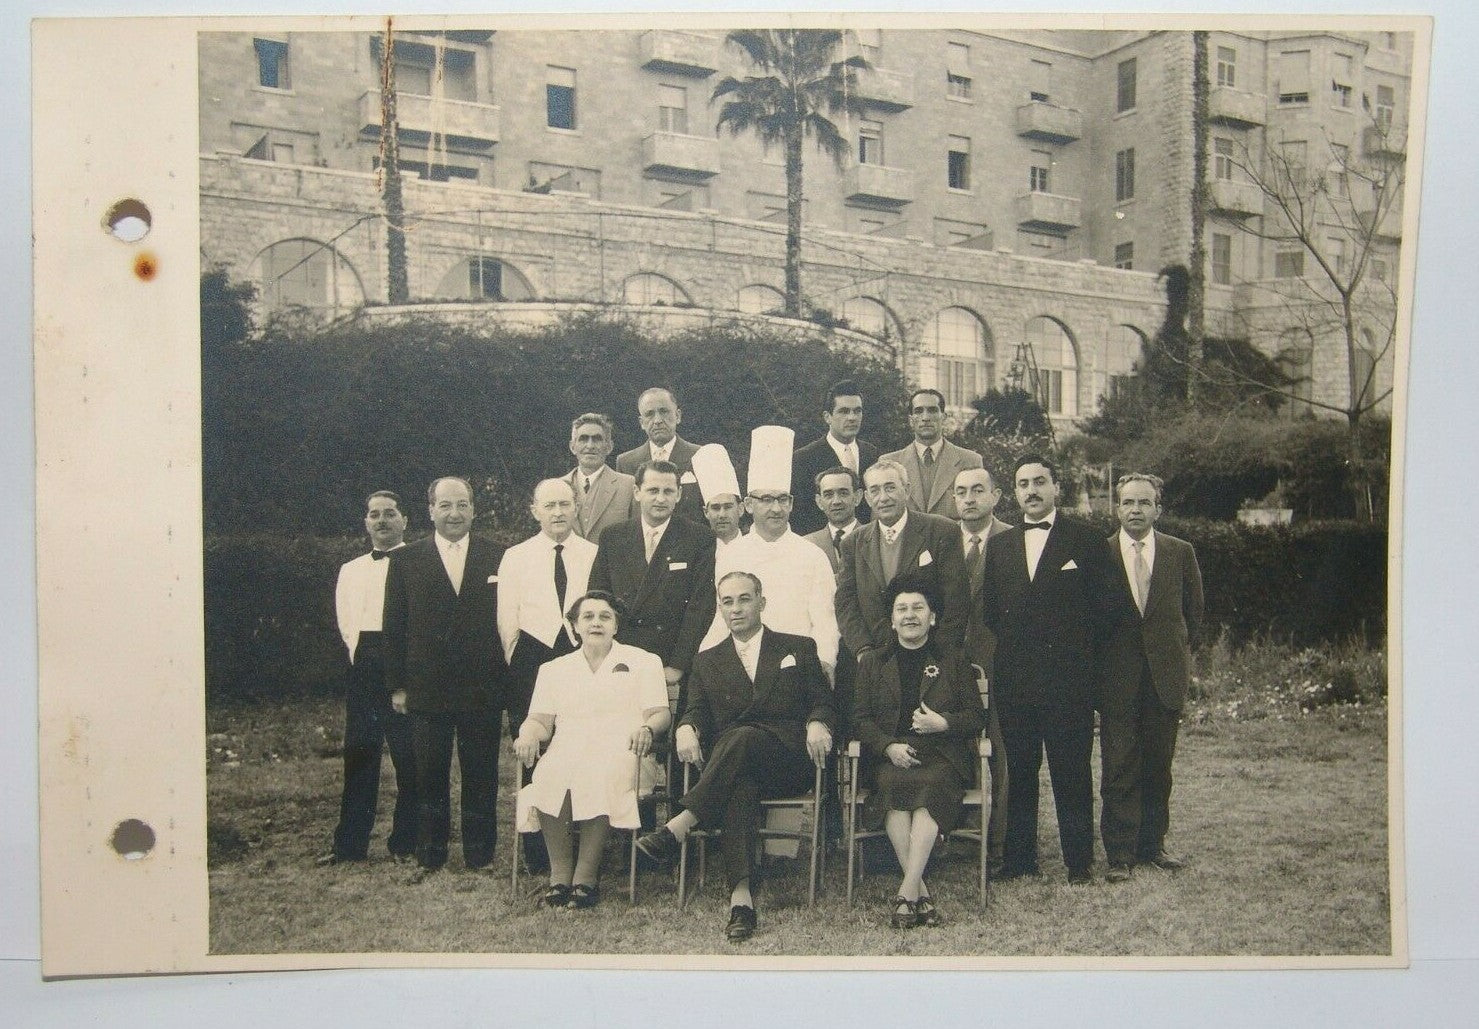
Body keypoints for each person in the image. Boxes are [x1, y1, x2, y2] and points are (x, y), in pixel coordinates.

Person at [636, 572, 835, 943]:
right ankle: (741, 901)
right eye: (727, 602)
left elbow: (823, 700)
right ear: (719, 608)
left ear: (762, 601)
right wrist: (684, 728)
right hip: (731, 772)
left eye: (744, 599)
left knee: (740, 739)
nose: (736, 608)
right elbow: (694, 710)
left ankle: (681, 823)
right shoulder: (707, 660)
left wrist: (817, 722)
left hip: (787, 761)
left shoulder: (797, 647)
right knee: (737, 785)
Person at [978, 455, 1110, 884]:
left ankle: (1079, 863)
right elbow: (994, 613)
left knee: (1071, 770)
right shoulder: (999, 547)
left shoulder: (1088, 542)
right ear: (1013, 493)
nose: (1031, 490)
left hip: (1069, 682)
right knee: (1019, 772)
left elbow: (1104, 614)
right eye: (1022, 483)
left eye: (1039, 482)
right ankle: (1019, 860)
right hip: (1016, 681)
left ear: (1057, 488)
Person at [383, 476, 508, 880]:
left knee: (481, 773)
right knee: (428, 774)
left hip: (481, 688)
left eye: (462, 505)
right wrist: (398, 685)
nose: (454, 513)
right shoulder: (406, 561)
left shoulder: (500, 557)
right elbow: (394, 626)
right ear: (431, 510)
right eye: (445, 505)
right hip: (426, 687)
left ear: (473, 509)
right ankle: (430, 855)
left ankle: (480, 855)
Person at [513, 591, 671, 909]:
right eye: (587, 616)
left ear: (616, 625)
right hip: (568, 749)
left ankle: (585, 877)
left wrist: (647, 729)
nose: (596, 623)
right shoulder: (554, 668)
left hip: (627, 752)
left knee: (599, 774)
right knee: (547, 774)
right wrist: (527, 733)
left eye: (605, 616)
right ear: (573, 626)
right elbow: (540, 721)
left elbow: (661, 713)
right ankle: (560, 876)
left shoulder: (644, 661)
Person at [852, 574, 984, 929]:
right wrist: (888, 746)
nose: (910, 615)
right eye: (902, 609)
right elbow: (859, 720)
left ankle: (908, 891)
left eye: (918, 608)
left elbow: (976, 717)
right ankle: (919, 893)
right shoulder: (872, 664)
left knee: (929, 788)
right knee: (894, 786)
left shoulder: (954, 660)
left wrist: (944, 724)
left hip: (942, 757)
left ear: (933, 617)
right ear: (892, 619)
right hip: (891, 757)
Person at [1099, 473, 1204, 882]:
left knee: (1159, 765)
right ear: (1117, 507)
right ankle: (1120, 855)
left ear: (1158, 509)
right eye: (1128, 503)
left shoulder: (1180, 553)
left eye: (1144, 503)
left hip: (1164, 677)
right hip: (1117, 680)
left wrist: (1170, 656)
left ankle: (1152, 845)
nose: (1136, 510)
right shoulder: (1101, 553)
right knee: (1119, 763)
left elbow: (1192, 616)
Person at [497, 478, 597, 871]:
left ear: (576, 508)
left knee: (580, 747)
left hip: (579, 654)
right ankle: (537, 852)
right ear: (535, 510)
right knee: (533, 750)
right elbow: (507, 620)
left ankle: (583, 846)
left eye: (565, 505)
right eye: (549, 506)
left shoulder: (593, 553)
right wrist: (520, 662)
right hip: (531, 660)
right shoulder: (515, 556)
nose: (558, 513)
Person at [319, 490, 418, 866]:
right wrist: (363, 662)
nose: (382, 521)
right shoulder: (352, 569)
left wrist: (404, 678)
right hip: (364, 666)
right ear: (366, 523)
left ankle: (406, 844)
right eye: (374, 515)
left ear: (405, 520)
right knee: (360, 755)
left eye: (390, 513)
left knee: (410, 758)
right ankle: (349, 846)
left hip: (405, 666)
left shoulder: (418, 562)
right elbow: (347, 623)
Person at [704, 427, 840, 679]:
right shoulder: (731, 554)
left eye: (782, 499)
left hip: (798, 669)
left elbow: (825, 620)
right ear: (748, 505)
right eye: (766, 499)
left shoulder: (812, 555)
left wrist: (825, 661)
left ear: (791, 503)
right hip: (742, 670)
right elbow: (721, 618)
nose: (776, 508)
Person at [589, 459, 717, 712]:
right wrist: (604, 654)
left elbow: (700, 607)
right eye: (652, 490)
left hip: (669, 659)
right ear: (637, 492)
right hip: (620, 653)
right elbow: (597, 600)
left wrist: (678, 665)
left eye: (668, 491)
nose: (660, 498)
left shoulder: (698, 538)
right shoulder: (613, 537)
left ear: (679, 494)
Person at [835, 458, 970, 664]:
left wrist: (940, 652)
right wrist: (863, 650)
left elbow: (956, 599)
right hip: (875, 658)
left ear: (906, 490)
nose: (883, 497)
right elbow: (846, 603)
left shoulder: (941, 531)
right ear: (867, 498)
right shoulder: (853, 542)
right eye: (875, 490)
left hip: (932, 657)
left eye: (890, 488)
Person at [952, 466, 1013, 874]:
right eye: (961, 492)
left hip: (1002, 661)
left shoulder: (1013, 539)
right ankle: (952, 835)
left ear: (995, 495)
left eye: (978, 490)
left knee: (1002, 756)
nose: (970, 499)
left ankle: (998, 846)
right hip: (951, 664)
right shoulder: (939, 541)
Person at [880, 388, 984, 520]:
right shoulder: (889, 463)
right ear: (911, 420)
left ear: (944, 417)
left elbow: (981, 515)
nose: (925, 418)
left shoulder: (970, 461)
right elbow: (880, 520)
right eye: (919, 411)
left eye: (932, 410)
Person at [791, 380, 879, 535]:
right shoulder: (804, 458)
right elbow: (800, 516)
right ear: (827, 417)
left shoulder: (871, 453)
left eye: (857, 411)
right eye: (844, 411)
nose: (852, 417)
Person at [615, 387, 703, 524]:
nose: (657, 420)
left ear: (678, 416)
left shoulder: (701, 456)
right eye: (649, 414)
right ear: (641, 422)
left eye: (664, 412)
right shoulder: (626, 462)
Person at [563, 413, 638, 542]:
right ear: (572, 446)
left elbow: (637, 535)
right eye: (583, 439)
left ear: (609, 447)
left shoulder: (628, 485)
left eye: (597, 439)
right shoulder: (558, 486)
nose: (590, 445)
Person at [802, 465, 863, 577]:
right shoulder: (807, 544)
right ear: (819, 502)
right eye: (828, 495)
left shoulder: (875, 537)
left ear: (857, 497)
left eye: (843, 493)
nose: (836, 501)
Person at [691, 443, 745, 551]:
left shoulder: (755, 549)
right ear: (706, 512)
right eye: (715, 508)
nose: (722, 515)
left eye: (728, 507)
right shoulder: (698, 553)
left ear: (740, 509)